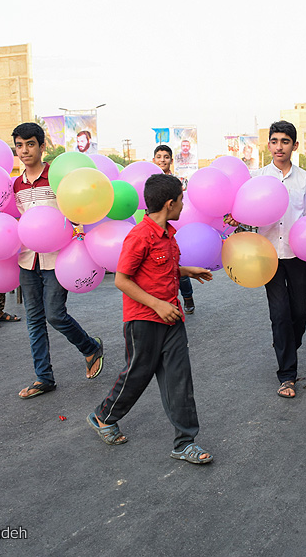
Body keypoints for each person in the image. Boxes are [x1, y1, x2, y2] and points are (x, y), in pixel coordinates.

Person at [88, 174, 214, 464]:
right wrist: (156, 304)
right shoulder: (139, 236)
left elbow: (160, 270)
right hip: (144, 318)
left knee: (179, 379)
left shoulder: (169, 235)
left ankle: (185, 442)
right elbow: (122, 279)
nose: (184, 206)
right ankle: (103, 416)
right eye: (181, 201)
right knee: (138, 373)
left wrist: (187, 270)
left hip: (171, 316)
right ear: (170, 204)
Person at [11, 122, 104, 399]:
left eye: (30, 144)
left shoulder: (58, 177)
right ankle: (44, 377)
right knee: (34, 320)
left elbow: (77, 207)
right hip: (27, 259)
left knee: (55, 315)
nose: (25, 150)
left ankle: (90, 347)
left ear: (42, 146)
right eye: (19, 145)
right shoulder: (16, 185)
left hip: (58, 259)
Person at [227, 121, 306, 398]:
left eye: (285, 141)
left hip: (298, 255)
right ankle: (287, 375)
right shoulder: (257, 179)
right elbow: (244, 213)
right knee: (279, 315)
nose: (280, 147)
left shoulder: (305, 180)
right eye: (275, 141)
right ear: (269, 145)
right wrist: (235, 219)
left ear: (295, 146)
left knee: (300, 311)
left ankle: (287, 344)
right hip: (269, 257)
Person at [153, 143, 196, 313]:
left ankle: (187, 297)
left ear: (171, 160)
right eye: (159, 157)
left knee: (177, 263)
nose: (162, 160)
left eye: (166, 157)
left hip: (175, 228)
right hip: (154, 228)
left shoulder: (178, 182)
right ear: (153, 159)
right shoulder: (147, 180)